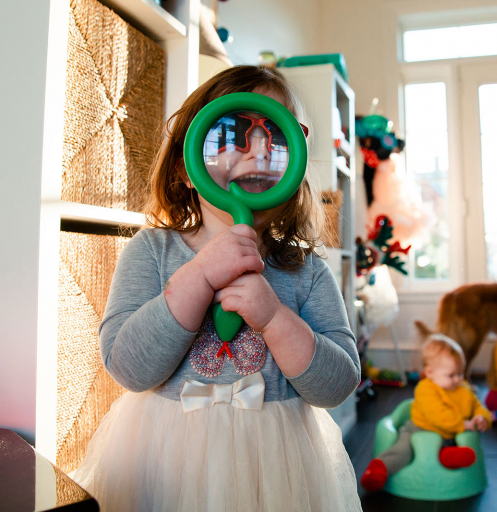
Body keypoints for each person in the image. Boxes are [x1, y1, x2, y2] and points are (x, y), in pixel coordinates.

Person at [71, 66, 362, 512]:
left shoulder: (305, 270)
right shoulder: (152, 252)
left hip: (278, 471)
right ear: (186, 168)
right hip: (167, 462)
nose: (260, 150)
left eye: (278, 136)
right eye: (231, 133)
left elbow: (337, 384)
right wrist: (200, 275)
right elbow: (128, 368)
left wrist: (275, 318)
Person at [360, 336, 491, 492]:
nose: (458, 379)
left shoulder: (463, 389)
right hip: (419, 429)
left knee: (454, 444)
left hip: (449, 434)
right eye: (451, 375)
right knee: (403, 450)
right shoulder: (425, 389)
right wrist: (463, 425)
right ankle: (379, 469)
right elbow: (438, 415)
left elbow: (476, 404)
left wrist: (481, 416)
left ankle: (447, 457)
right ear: (430, 372)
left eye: (460, 373)